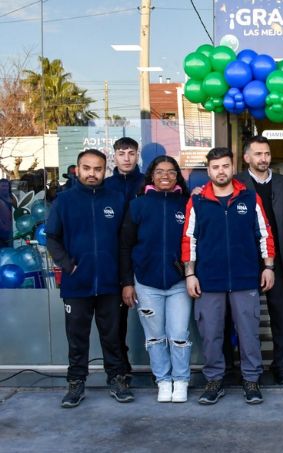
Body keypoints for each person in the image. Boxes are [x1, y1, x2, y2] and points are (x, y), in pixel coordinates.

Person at [182, 147, 276, 405]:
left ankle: (251, 379)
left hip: (245, 277)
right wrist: (190, 274)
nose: (221, 171)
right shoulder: (197, 201)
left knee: (248, 332)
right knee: (210, 333)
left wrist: (268, 267)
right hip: (208, 280)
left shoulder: (250, 198)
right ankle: (214, 380)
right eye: (215, 167)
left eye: (225, 166)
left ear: (233, 167)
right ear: (208, 170)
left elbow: (265, 234)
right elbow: (189, 239)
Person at [45, 149, 132, 408]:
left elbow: (125, 242)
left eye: (97, 168)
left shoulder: (116, 199)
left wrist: (125, 279)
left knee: (113, 336)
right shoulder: (64, 201)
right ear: (78, 169)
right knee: (77, 338)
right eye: (87, 168)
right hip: (77, 284)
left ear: (105, 170)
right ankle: (76, 383)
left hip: (109, 283)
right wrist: (68, 265)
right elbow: (52, 238)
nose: (92, 173)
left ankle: (117, 379)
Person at [119, 156, 191, 403]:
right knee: (155, 337)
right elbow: (125, 246)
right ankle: (163, 381)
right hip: (146, 283)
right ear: (151, 175)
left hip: (179, 283)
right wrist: (127, 282)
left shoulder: (186, 204)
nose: (165, 176)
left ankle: (180, 381)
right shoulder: (138, 205)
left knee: (179, 334)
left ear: (177, 176)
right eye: (159, 171)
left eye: (171, 172)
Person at [235, 135, 283, 385]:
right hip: (246, 259)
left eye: (267, 154)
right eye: (258, 154)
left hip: (278, 258)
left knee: (282, 315)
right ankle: (248, 366)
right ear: (247, 157)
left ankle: (282, 365)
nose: (264, 158)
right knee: (246, 316)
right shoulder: (236, 182)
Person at [105, 137, 145, 381]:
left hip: (143, 254)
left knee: (152, 314)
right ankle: (120, 366)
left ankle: (158, 366)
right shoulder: (106, 185)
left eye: (131, 153)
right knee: (116, 318)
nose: (127, 158)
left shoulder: (146, 183)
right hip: (113, 256)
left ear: (137, 155)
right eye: (122, 153)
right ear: (115, 157)